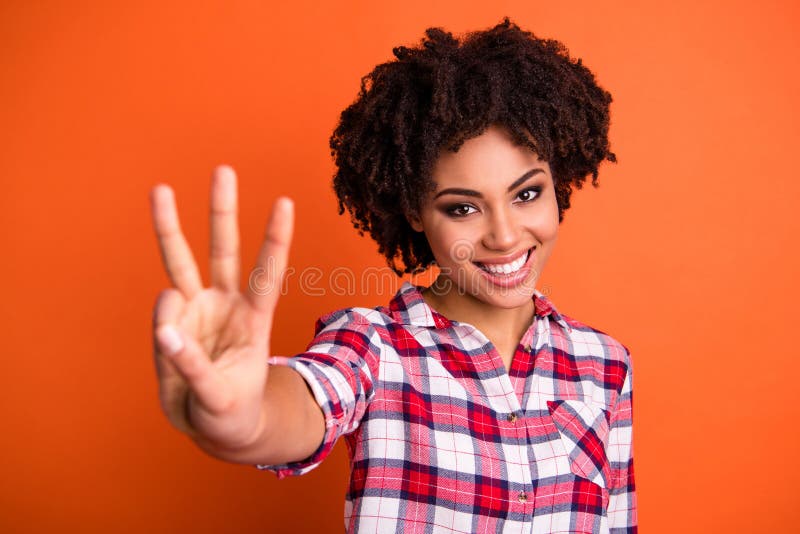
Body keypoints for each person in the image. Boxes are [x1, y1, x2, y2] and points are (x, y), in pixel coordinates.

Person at [150, 17, 636, 533]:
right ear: (413, 212)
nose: (505, 236)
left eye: (526, 194)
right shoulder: (371, 347)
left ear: (557, 183)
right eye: (462, 209)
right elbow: (299, 405)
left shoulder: (605, 364)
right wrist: (242, 417)